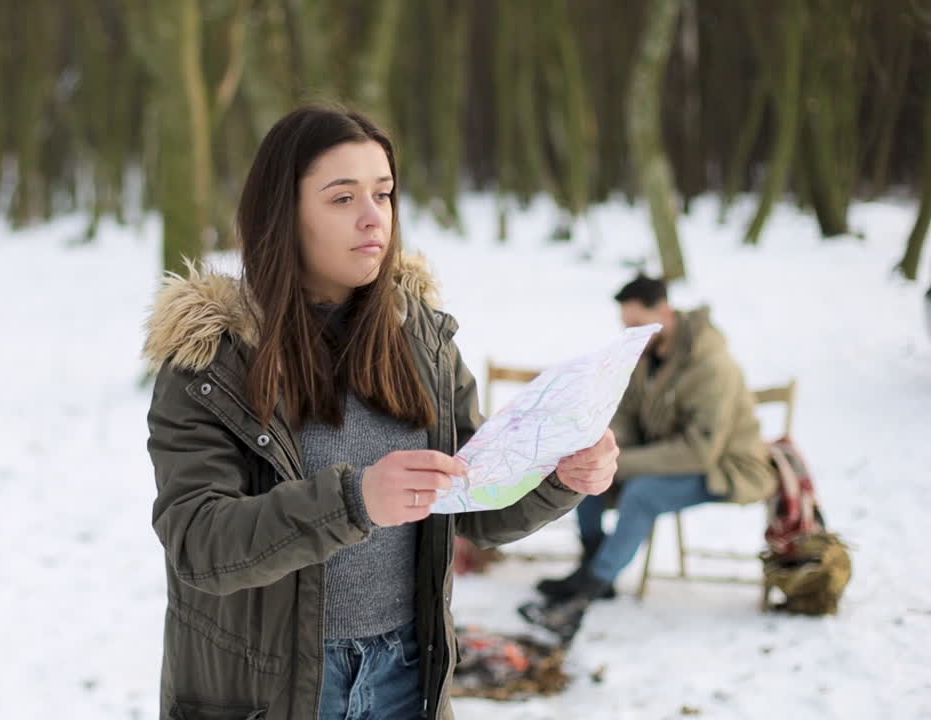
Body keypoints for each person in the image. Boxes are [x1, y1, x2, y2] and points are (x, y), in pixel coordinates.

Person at [144, 105, 618, 720]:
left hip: (405, 675)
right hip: (272, 689)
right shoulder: (213, 362)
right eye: (342, 198)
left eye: (384, 193)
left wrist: (561, 475)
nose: (374, 218)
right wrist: (354, 502)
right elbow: (200, 544)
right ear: (282, 215)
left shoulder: (419, 337)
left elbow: (472, 498)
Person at [526, 274, 777, 639]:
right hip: (665, 458)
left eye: (637, 324)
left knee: (641, 493)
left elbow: (700, 450)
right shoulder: (647, 355)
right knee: (587, 472)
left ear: (665, 312)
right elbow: (625, 414)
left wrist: (623, 463)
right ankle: (592, 566)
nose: (631, 333)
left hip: (724, 468)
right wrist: (609, 450)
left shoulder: (711, 365)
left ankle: (589, 590)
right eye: (626, 325)